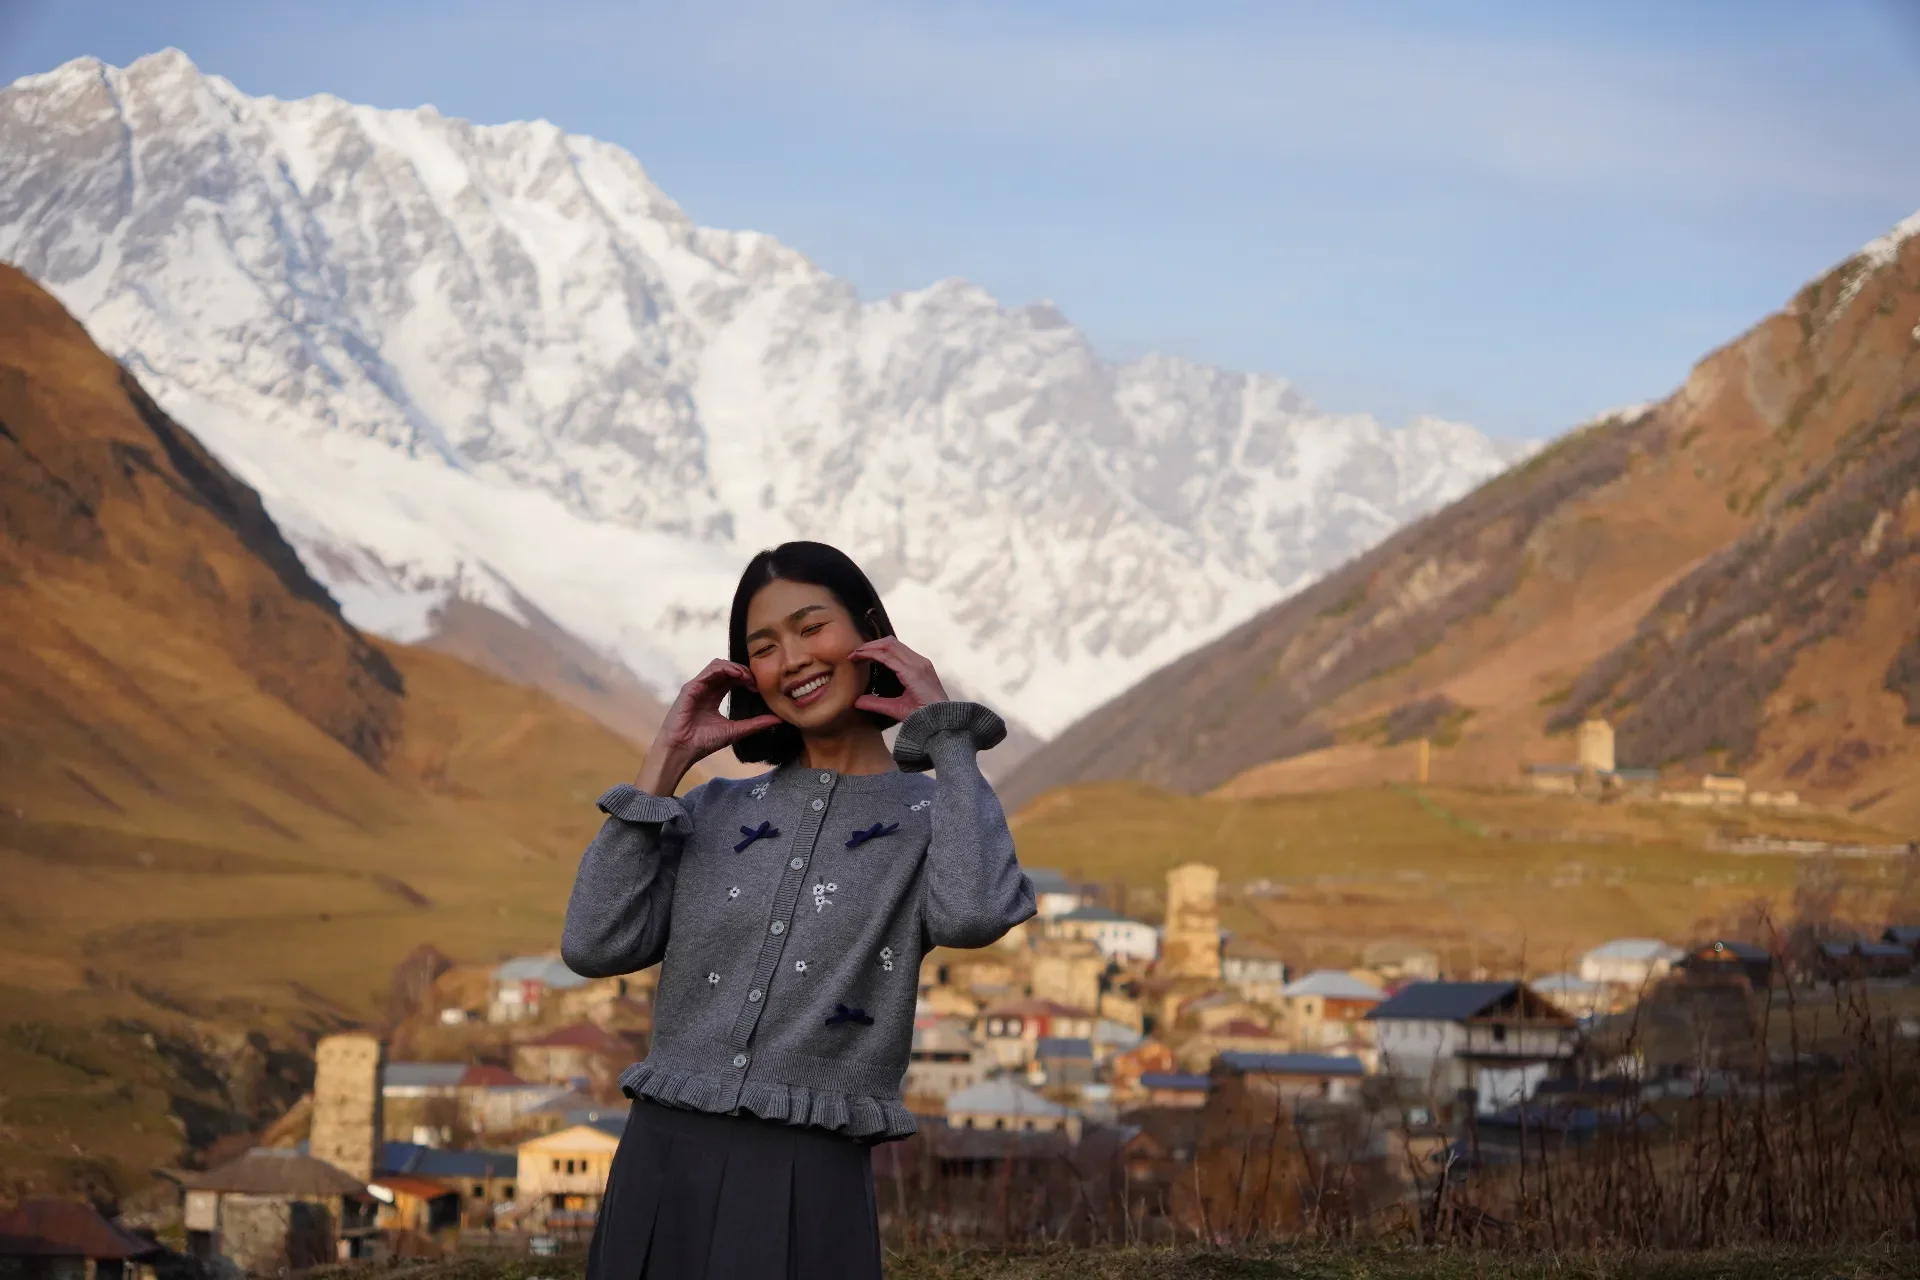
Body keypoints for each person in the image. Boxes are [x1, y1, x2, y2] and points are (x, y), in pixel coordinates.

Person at [563, 540, 1035, 1279]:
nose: (793, 660)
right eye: (765, 647)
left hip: (807, 1167)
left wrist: (945, 735)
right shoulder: (713, 810)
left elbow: (974, 914)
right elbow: (595, 943)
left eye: (813, 627)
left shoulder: (934, 812)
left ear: (871, 631)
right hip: (661, 1159)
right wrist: (664, 763)